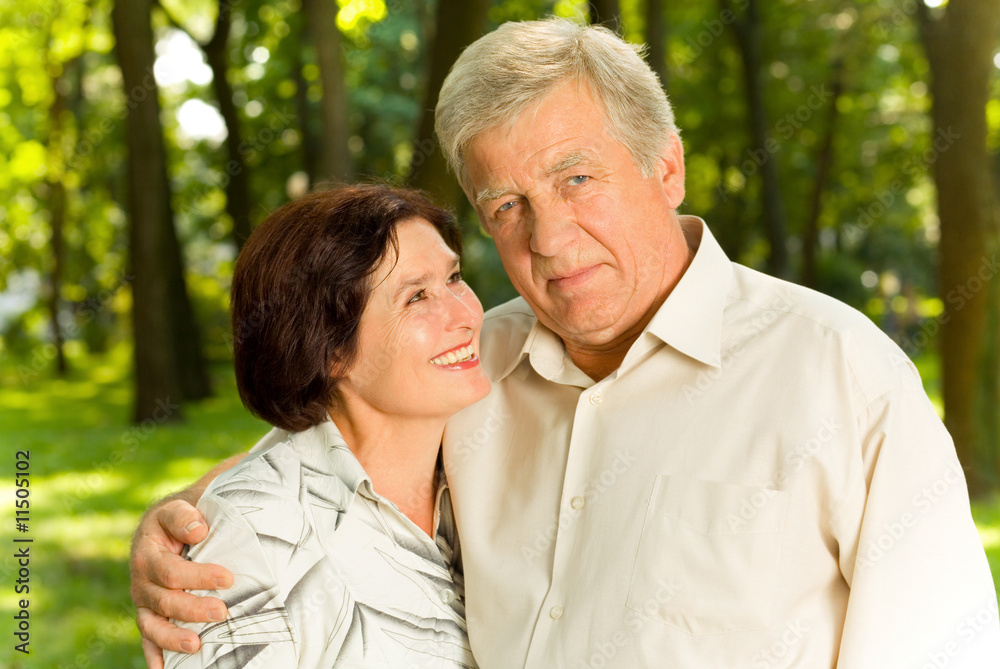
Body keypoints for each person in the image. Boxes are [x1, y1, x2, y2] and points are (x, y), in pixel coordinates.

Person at [132, 18, 1000, 668]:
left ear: (665, 167)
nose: (547, 237)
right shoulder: (473, 365)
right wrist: (172, 528)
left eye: (576, 178)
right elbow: (321, 455)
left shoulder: (840, 375)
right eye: (506, 206)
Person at [158, 184, 487, 668]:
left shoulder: (494, 445)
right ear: (331, 352)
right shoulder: (256, 539)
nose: (467, 314)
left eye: (454, 277)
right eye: (417, 297)